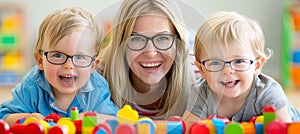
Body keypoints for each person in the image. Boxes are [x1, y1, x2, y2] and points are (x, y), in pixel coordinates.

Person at [0, 7, 118, 126]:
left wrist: (92, 119)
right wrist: (26, 118)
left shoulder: (97, 88)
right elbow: (4, 116)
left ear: (93, 65)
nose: (68, 65)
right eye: (57, 55)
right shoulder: (32, 86)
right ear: (40, 60)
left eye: (80, 57)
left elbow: (115, 120)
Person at [184, 11, 300, 125]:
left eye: (239, 61)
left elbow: (283, 128)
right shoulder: (202, 93)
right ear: (201, 69)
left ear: (257, 65)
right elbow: (189, 127)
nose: (228, 70)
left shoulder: (268, 93)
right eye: (215, 62)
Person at [99, 0, 195, 119]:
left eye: (162, 38)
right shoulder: (98, 78)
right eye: (137, 39)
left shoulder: (200, 74)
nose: (150, 53)